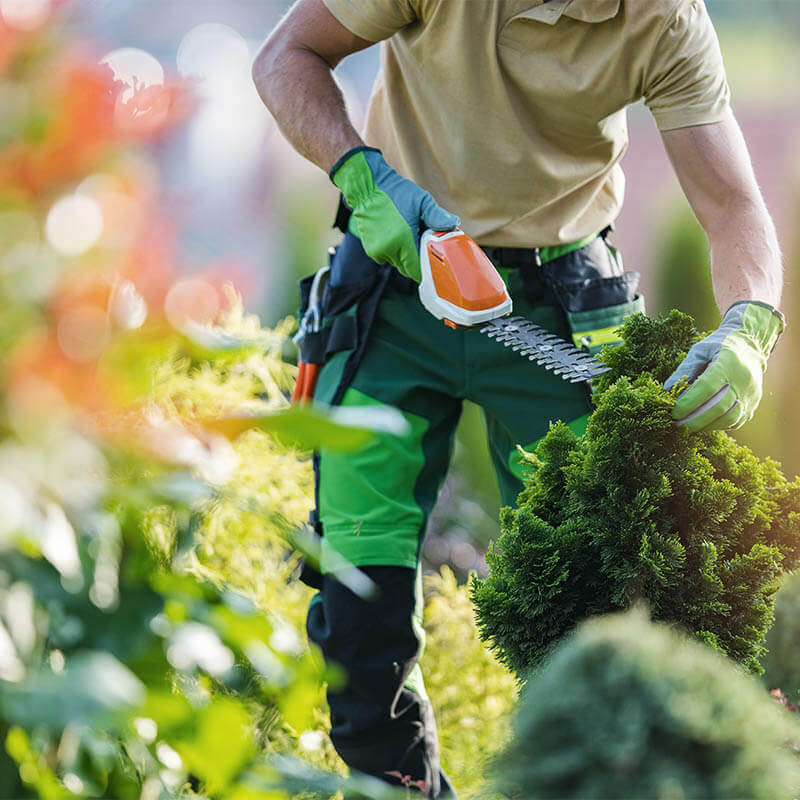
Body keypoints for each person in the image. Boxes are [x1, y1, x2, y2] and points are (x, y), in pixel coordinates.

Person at [251, 1, 785, 796]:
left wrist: (749, 325)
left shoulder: (666, 18)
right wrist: (364, 178)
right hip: (398, 287)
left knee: (586, 624)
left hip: (562, 304)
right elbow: (286, 55)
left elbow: (732, 204)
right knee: (358, 610)